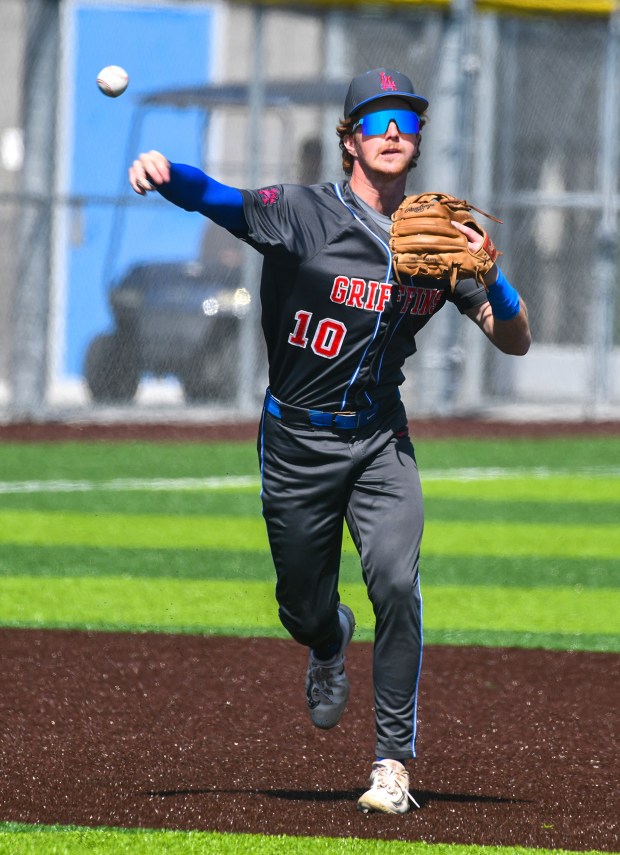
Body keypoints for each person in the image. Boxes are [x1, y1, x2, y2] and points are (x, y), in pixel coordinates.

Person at [128, 67, 531, 815]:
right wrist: (165, 172)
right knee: (302, 606)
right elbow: (220, 199)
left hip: (381, 438)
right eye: (375, 121)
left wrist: (497, 283)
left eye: (404, 123)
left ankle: (391, 763)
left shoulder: (437, 240)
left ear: (416, 143)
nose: (391, 133)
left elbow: (515, 342)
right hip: (296, 444)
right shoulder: (302, 213)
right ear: (349, 139)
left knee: (397, 585)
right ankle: (325, 640)